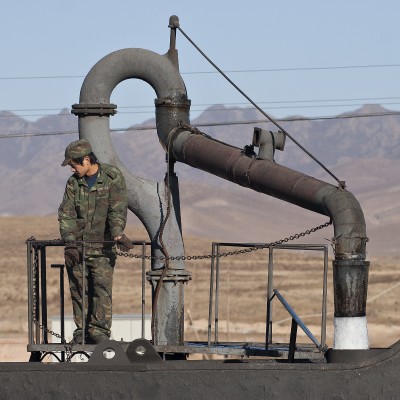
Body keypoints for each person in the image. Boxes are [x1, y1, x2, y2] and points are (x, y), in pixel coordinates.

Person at [58, 139, 133, 344]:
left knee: (101, 288)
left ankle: (98, 332)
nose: (71, 168)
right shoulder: (73, 183)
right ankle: (81, 332)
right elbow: (67, 213)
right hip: (78, 248)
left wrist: (117, 233)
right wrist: (70, 243)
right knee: (79, 289)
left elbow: (117, 207)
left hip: (102, 248)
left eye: (73, 164)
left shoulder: (111, 177)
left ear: (86, 159)